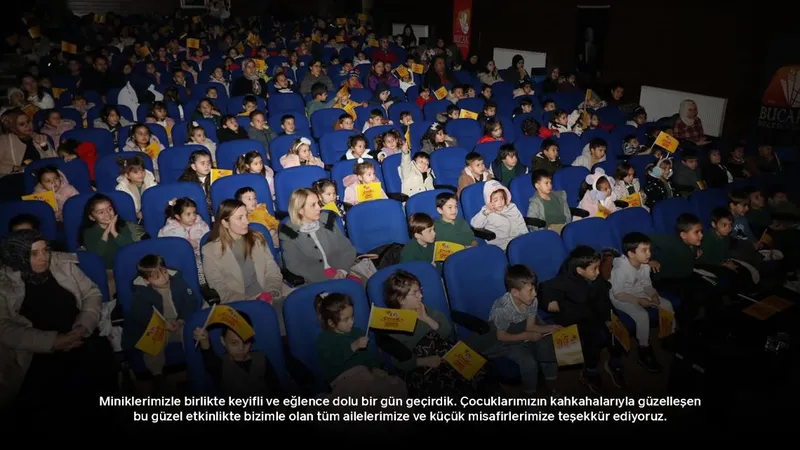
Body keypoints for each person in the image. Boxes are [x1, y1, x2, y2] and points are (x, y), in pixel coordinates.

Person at [0, 230, 115, 422]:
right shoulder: (4, 282)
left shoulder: (62, 264)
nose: (43, 257)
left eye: (45, 250)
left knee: (98, 374)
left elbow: (91, 293)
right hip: (34, 351)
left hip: (80, 336)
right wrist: (54, 341)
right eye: (34, 253)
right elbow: (4, 328)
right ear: (18, 255)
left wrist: (82, 327)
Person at [121, 255, 199, 392]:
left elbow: (190, 301)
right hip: (158, 326)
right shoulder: (141, 292)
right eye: (157, 277)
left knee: (190, 335)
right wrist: (162, 324)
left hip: (179, 322)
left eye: (164, 272)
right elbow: (140, 314)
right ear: (147, 280)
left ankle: (195, 367)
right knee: (153, 345)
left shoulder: (178, 282)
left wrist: (181, 320)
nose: (163, 277)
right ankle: (157, 375)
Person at [485, 265, 560, 395]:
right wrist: (528, 335)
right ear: (515, 293)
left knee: (548, 349)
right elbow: (501, 336)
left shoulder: (531, 300)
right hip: (506, 337)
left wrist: (552, 328)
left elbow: (531, 326)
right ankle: (530, 395)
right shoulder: (502, 309)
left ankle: (552, 385)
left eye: (534, 288)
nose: (535, 293)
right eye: (530, 290)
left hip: (523, 327)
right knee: (529, 363)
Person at [202, 200, 287, 309]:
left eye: (246, 216)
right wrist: (248, 301)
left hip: (268, 295)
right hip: (236, 304)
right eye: (240, 218)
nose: (247, 221)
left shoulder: (257, 239)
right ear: (225, 223)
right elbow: (219, 287)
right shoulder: (209, 250)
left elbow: (272, 269)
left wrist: (272, 291)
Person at [609, 233, 675, 373]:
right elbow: (618, 293)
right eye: (644, 250)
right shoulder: (620, 269)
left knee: (667, 305)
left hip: (638, 292)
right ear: (631, 254)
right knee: (642, 315)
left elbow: (646, 285)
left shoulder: (645, 265)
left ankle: (668, 334)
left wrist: (653, 295)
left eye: (649, 250)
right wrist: (639, 301)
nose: (649, 254)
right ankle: (644, 348)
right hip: (622, 297)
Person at [279, 188, 369, 284]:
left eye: (318, 203)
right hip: (314, 281)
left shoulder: (327, 220)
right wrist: (327, 277)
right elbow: (295, 265)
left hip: (344, 271)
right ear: (300, 210)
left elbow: (346, 249)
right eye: (313, 205)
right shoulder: (289, 231)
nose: (319, 208)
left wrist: (342, 270)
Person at [193, 312, 285, 397]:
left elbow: (276, 390)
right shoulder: (220, 364)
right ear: (223, 341)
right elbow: (210, 361)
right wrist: (204, 342)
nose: (241, 348)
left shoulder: (261, 358)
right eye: (234, 343)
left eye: (246, 342)